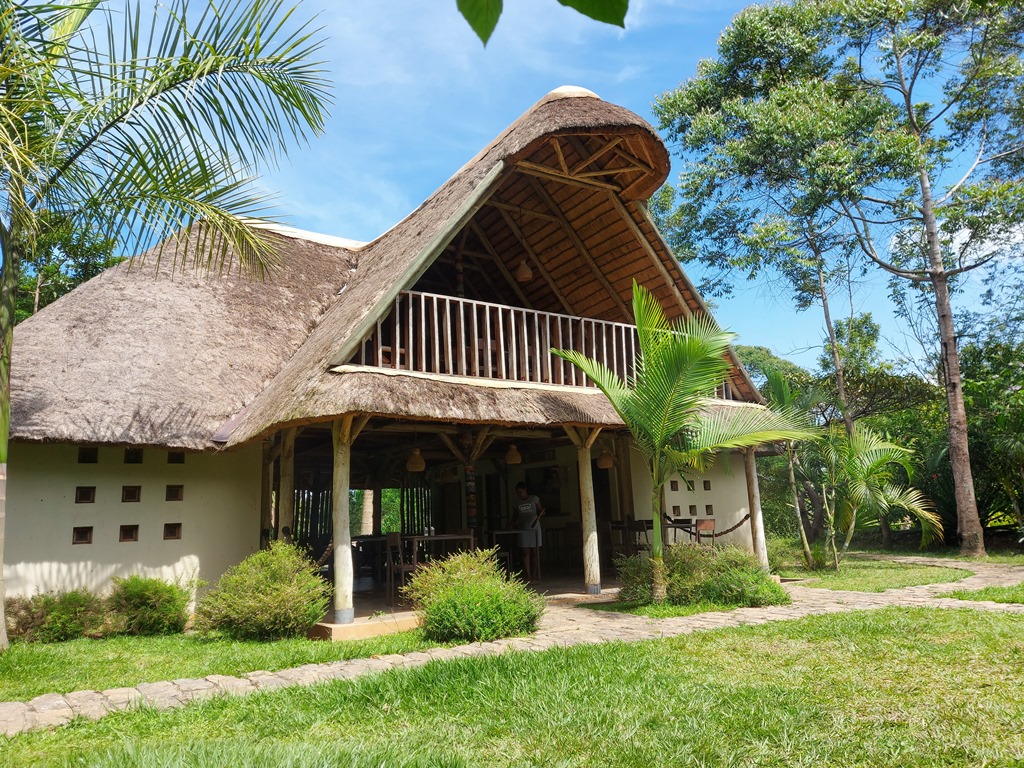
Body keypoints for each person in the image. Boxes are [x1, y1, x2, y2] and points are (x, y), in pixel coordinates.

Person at [511, 481, 544, 581]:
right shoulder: (516, 502)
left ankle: (535, 574)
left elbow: (540, 510)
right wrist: (511, 524)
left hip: (534, 528)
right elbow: (515, 515)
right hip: (523, 528)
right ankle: (528, 575)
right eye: (517, 493)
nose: (519, 494)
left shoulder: (534, 499)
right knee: (525, 552)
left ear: (525, 491)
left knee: (535, 552)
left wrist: (542, 513)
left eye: (520, 492)